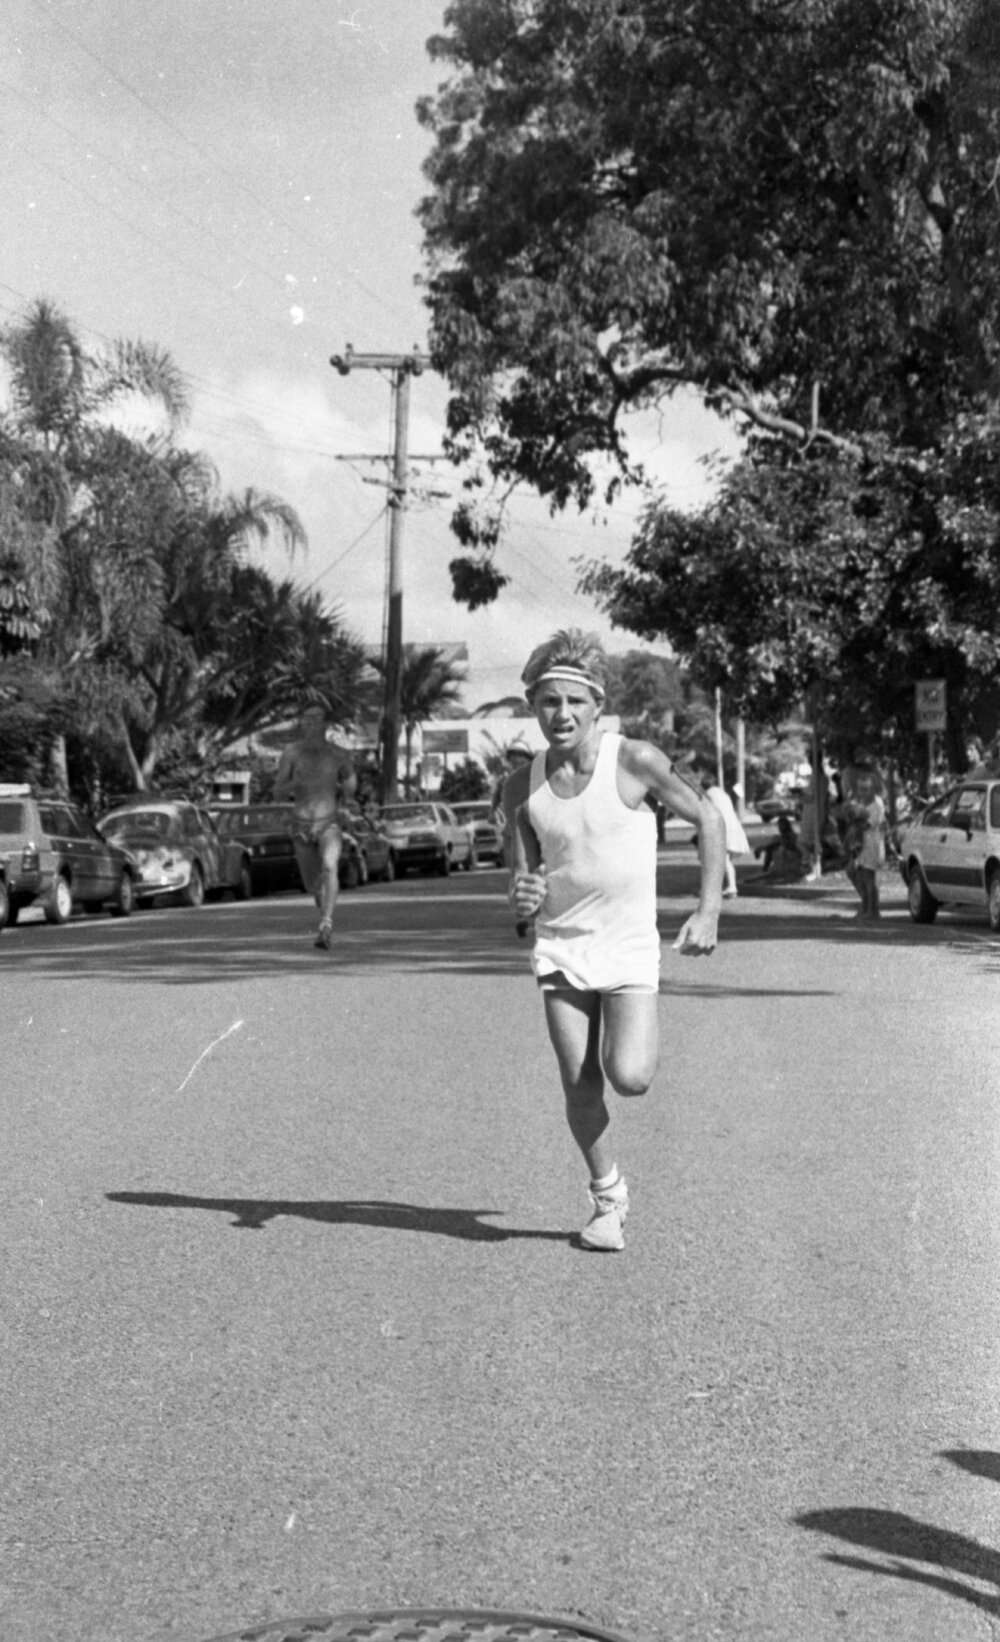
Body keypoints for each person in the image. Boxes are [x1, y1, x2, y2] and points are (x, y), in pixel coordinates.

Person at [502, 629, 726, 1254]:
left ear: (597, 705)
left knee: (629, 1075)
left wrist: (708, 911)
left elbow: (708, 816)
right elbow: (521, 881)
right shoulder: (520, 787)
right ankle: (608, 1198)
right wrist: (522, 898)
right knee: (578, 1080)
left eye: (575, 701)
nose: (562, 714)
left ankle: (625, 1052)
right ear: (533, 706)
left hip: (626, 945)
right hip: (562, 945)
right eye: (549, 702)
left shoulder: (635, 760)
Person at [273, 702, 356, 950]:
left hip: (328, 823)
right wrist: (294, 784)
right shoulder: (292, 754)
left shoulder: (337, 754)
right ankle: (323, 913)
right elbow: (277, 793)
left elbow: (351, 784)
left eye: (316, 718)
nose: (310, 723)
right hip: (301, 826)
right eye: (306, 718)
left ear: (325, 723)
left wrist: (347, 788)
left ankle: (326, 925)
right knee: (313, 885)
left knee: (330, 866)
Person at [843, 769, 885, 921]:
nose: (863, 793)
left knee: (868, 877)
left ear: (873, 788)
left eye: (866, 789)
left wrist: (855, 824)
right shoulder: (860, 802)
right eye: (861, 789)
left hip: (872, 843)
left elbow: (867, 825)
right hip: (861, 844)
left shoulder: (877, 804)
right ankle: (866, 907)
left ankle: (871, 911)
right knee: (857, 874)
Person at [704, 775, 751, 898]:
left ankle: (731, 887)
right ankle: (729, 886)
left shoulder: (708, 794)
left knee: (723, 860)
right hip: (732, 826)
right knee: (726, 860)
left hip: (723, 828)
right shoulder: (723, 794)